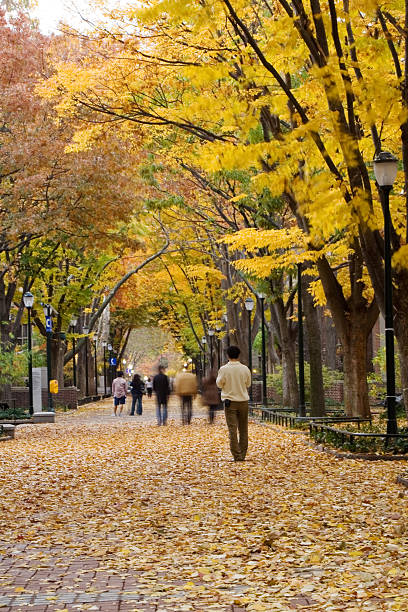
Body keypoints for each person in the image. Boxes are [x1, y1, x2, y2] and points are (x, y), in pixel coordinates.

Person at [216, 345, 251, 461]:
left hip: (230, 402)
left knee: (232, 430)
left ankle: (237, 455)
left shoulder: (224, 369)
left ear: (228, 355)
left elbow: (219, 384)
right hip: (243, 401)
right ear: (238, 355)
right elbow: (248, 384)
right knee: (243, 429)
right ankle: (243, 453)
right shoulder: (245, 369)